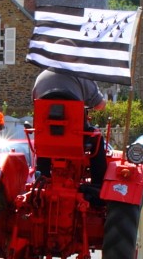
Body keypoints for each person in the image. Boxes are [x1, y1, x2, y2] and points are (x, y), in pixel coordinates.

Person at [31, 43, 107, 186]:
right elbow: (100, 105)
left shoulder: (41, 77)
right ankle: (98, 185)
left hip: (47, 137)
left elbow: (35, 104)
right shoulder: (81, 75)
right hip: (76, 136)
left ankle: (42, 177)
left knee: (44, 142)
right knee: (97, 138)